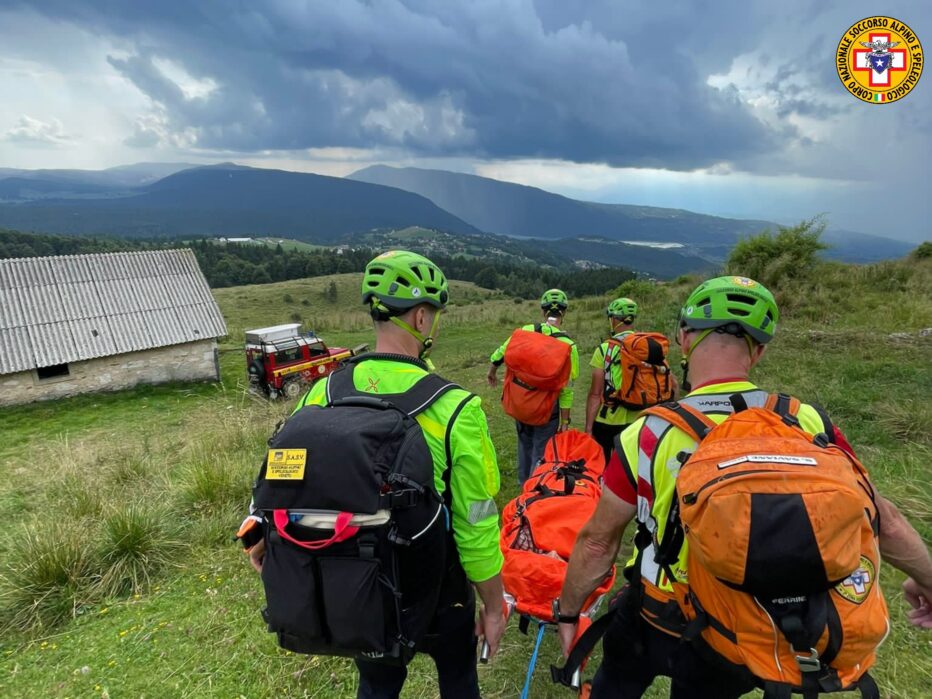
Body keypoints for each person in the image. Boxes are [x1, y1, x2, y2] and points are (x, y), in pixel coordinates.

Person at [557, 276, 932, 698]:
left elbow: (597, 543)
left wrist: (568, 614)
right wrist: (927, 579)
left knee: (615, 685)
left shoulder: (648, 433)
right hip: (737, 629)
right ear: (759, 351)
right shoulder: (806, 419)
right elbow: (885, 520)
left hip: (653, 615)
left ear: (684, 338)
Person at [247, 251, 507, 699]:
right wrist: (495, 604)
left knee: (376, 685)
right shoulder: (457, 409)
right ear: (422, 318)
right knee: (459, 681)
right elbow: (476, 522)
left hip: (361, 583)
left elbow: (286, 476)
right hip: (441, 591)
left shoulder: (322, 391)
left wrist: (259, 528)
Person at [487, 289, 580, 483]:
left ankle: (523, 482)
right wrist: (565, 421)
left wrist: (492, 372)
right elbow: (567, 389)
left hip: (521, 401)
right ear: (564, 312)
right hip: (547, 408)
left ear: (543, 311)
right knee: (541, 449)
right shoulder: (568, 345)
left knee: (524, 443)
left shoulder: (526, 330)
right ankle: (534, 488)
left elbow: (501, 353)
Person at [584, 297, 642, 463]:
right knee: (630, 467)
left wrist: (588, 428)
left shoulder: (604, 349)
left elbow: (595, 393)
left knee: (604, 465)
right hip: (638, 419)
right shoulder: (646, 346)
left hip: (606, 420)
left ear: (614, 319)